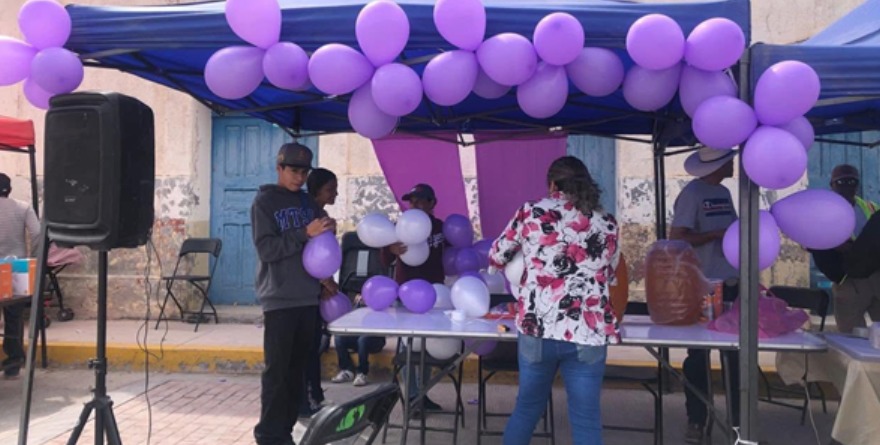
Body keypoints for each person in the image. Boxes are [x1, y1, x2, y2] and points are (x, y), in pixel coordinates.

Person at [489, 156, 620, 445]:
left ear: (552, 184)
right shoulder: (607, 222)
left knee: (526, 410)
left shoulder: (530, 213)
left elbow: (497, 255)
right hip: (588, 331)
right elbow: (609, 274)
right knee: (586, 419)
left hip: (539, 327)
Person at [251, 143, 336, 445]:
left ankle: (284, 431)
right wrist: (304, 233)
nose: (299, 177)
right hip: (279, 298)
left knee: (297, 371)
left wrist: (325, 277)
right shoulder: (265, 202)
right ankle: (269, 434)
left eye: (303, 172)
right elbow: (267, 249)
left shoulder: (307, 204)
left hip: (308, 297)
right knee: (277, 372)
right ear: (279, 168)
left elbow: (318, 250)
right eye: (293, 171)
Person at [669, 147, 741, 443]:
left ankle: (739, 424)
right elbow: (677, 237)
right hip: (703, 284)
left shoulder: (724, 193)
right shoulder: (693, 194)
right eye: (730, 161)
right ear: (720, 165)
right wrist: (713, 236)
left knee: (736, 354)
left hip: (732, 281)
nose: (734, 164)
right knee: (698, 356)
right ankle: (696, 420)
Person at [380, 183, 446, 412]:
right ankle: (413, 396)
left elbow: (455, 253)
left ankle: (422, 395)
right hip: (406, 294)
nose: (414, 205)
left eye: (419, 201)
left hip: (434, 295)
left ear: (432, 204)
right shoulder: (401, 227)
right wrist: (391, 249)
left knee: (426, 349)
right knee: (407, 348)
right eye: (411, 201)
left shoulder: (440, 227)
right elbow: (384, 260)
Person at [813, 164, 879, 333]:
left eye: (852, 181)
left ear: (858, 184)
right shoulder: (822, 212)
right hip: (848, 281)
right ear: (832, 184)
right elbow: (811, 240)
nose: (847, 185)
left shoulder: (870, 207)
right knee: (853, 337)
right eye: (841, 181)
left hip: (875, 275)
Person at [296, 167, 341, 417]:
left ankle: (315, 394)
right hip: (308, 290)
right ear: (316, 190)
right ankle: (307, 400)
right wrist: (326, 282)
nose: (335, 193)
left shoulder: (320, 213)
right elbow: (312, 255)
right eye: (330, 189)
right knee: (308, 348)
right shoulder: (311, 216)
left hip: (315, 289)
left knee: (314, 346)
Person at [0, 173, 40, 379]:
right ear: (10, 189)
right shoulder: (23, 207)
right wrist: (32, 260)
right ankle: (14, 358)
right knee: (14, 317)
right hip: (16, 269)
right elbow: (37, 234)